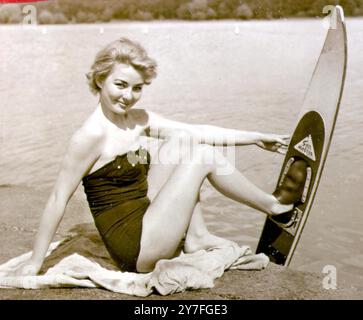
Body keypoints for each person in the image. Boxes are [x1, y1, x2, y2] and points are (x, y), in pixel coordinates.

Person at [12, 37, 300, 275]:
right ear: (100, 80)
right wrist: (36, 262)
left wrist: (255, 138)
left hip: (146, 218)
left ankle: (197, 238)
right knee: (201, 155)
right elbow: (57, 198)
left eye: (137, 88)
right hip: (134, 247)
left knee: (185, 140)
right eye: (120, 85)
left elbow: (195, 130)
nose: (128, 96)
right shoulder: (89, 137)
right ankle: (275, 208)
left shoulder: (136, 119)